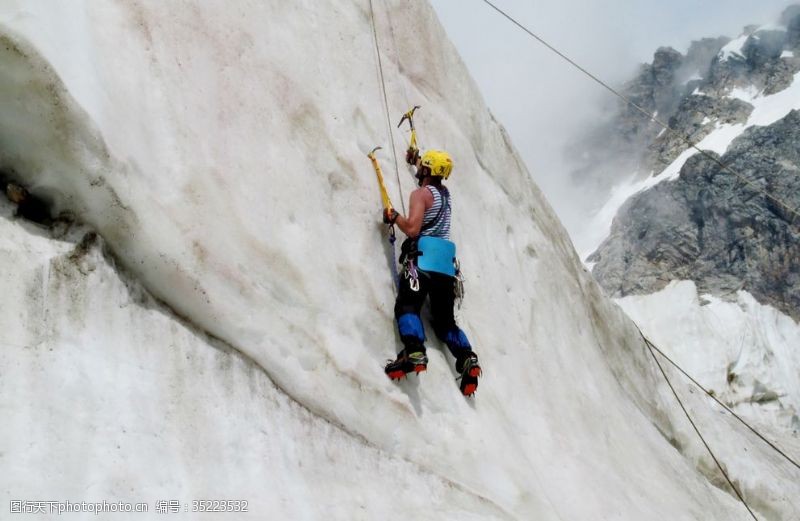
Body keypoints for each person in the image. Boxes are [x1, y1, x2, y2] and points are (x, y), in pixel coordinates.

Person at [382, 149, 481, 396]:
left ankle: (414, 351)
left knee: (408, 306)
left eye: (422, 166)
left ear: (427, 170)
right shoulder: (445, 196)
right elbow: (431, 175)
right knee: (446, 322)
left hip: (421, 262)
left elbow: (413, 229)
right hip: (445, 269)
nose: (419, 169)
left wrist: (394, 217)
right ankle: (467, 358)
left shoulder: (420, 194)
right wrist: (416, 159)